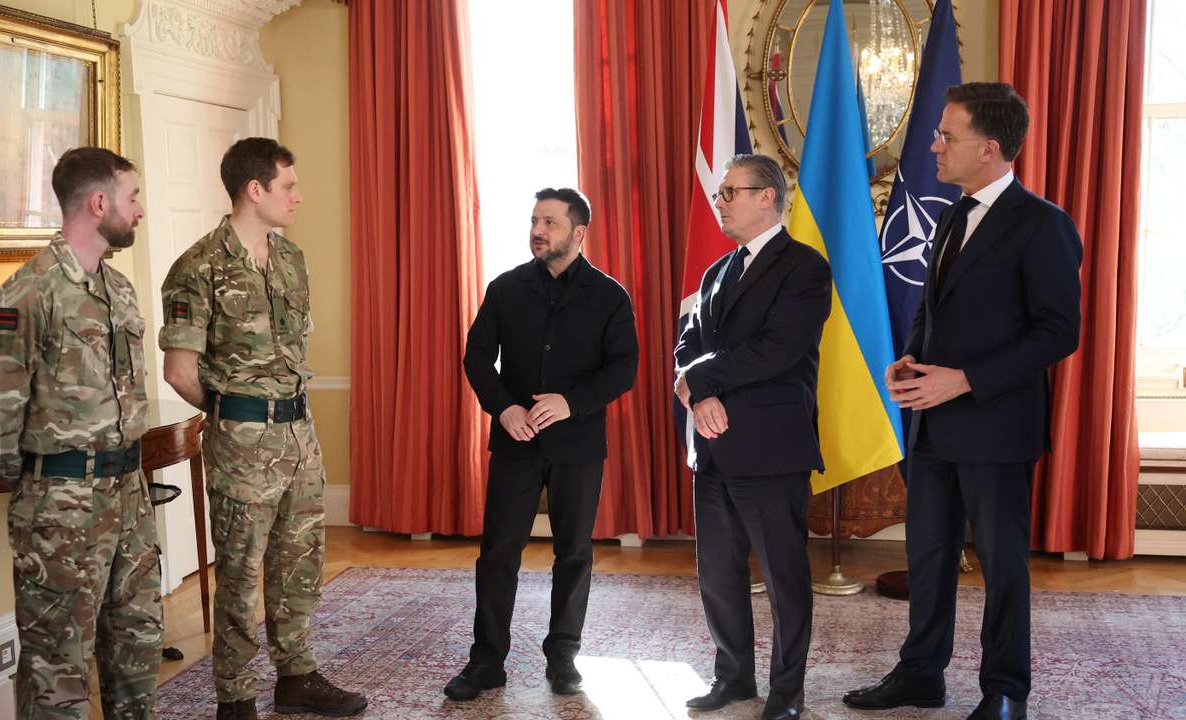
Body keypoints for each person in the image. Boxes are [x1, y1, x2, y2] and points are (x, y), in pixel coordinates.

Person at [843, 82, 1082, 720]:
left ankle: (1005, 690)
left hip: (998, 429)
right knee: (926, 557)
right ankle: (921, 673)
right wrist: (911, 359)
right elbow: (933, 310)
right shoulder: (951, 213)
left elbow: (1060, 330)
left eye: (947, 135)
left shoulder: (1044, 224)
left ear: (991, 148)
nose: (934, 145)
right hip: (933, 427)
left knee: (1004, 567)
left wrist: (965, 378)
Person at [160, 138, 367, 720]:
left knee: (299, 563)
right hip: (242, 445)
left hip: (300, 438)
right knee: (239, 572)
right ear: (256, 190)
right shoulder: (197, 269)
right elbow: (179, 370)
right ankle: (236, 698)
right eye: (289, 186)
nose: (298, 197)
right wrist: (238, 411)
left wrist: (280, 415)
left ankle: (296, 676)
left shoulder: (291, 259)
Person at [0, 146, 161, 719]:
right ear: (99, 202)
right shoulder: (30, 291)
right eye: (132, 198)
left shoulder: (118, 289)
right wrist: (34, 485)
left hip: (128, 492)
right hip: (61, 505)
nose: (139, 211)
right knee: (59, 666)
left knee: (138, 644)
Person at [445, 187, 638, 701]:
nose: (537, 230)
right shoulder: (505, 289)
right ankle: (486, 661)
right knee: (498, 553)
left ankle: (564, 658)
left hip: (578, 444)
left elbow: (625, 368)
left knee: (573, 553)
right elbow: (478, 358)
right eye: (534, 220)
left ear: (578, 232)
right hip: (517, 440)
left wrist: (572, 402)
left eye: (549, 222)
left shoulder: (610, 296)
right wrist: (504, 408)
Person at [673, 153, 831, 720]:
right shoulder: (717, 271)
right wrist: (700, 391)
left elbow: (778, 350)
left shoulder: (804, 268)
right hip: (712, 448)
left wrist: (699, 379)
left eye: (730, 192)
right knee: (717, 574)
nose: (721, 201)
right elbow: (685, 346)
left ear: (767, 196)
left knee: (784, 577)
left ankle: (787, 692)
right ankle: (733, 678)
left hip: (769, 449)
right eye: (720, 193)